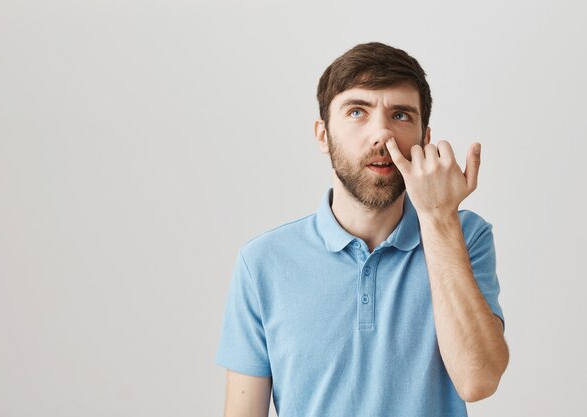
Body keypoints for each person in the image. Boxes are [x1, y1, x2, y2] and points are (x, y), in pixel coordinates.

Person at [215, 42, 509, 417]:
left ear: (425, 138)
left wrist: (439, 218)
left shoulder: (465, 235)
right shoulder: (262, 262)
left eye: (401, 115)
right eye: (357, 111)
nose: (382, 136)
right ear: (323, 135)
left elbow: (478, 380)